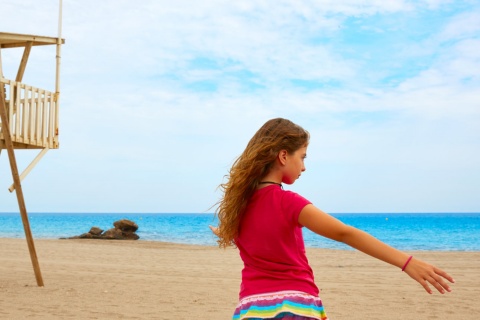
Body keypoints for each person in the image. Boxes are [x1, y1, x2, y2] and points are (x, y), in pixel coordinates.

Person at [209, 118, 454, 320]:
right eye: (303, 156)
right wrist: (407, 262)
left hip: (251, 309)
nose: (304, 167)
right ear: (283, 156)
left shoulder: (238, 207)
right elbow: (345, 233)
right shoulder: (288, 202)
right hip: (295, 307)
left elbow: (252, 237)